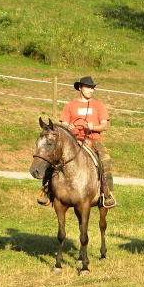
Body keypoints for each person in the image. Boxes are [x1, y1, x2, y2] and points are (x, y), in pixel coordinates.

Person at [37, 76, 117, 208]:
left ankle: (106, 193)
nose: (91, 90)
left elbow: (104, 126)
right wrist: (69, 127)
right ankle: (47, 190)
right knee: (53, 159)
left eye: (92, 88)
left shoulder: (99, 105)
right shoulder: (70, 106)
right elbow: (63, 124)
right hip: (73, 140)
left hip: (93, 139)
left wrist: (93, 127)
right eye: (88, 88)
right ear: (80, 88)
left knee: (105, 160)